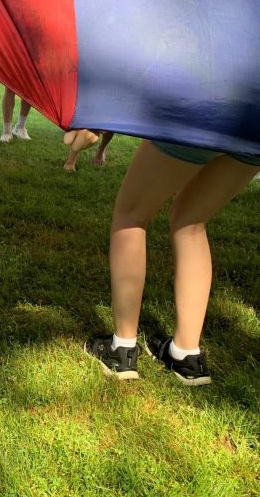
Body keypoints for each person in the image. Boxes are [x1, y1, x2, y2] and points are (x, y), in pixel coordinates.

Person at [85, 139, 260, 384]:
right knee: (191, 222)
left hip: (199, 111)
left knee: (131, 214)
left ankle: (122, 349)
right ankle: (186, 354)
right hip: (252, 123)